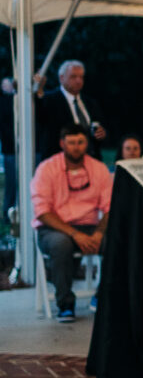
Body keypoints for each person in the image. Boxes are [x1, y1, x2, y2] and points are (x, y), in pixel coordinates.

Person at [31, 123, 112, 322]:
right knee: (61, 244)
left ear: (87, 143)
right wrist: (75, 234)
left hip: (90, 225)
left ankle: (103, 297)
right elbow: (42, 212)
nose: (76, 147)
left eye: (80, 142)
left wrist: (99, 233)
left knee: (117, 240)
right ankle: (65, 304)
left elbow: (111, 208)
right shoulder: (47, 169)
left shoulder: (99, 169)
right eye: (71, 143)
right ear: (62, 144)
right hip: (55, 227)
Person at [35, 60, 107, 159]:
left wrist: (101, 134)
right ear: (61, 78)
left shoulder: (90, 103)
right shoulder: (50, 100)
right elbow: (39, 116)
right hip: (61, 162)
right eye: (73, 77)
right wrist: (38, 89)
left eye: (81, 77)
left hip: (90, 161)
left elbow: (100, 129)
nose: (78, 81)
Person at [1, 77, 16, 222]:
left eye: (9, 84)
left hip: (18, 146)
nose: (8, 87)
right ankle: (7, 212)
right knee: (11, 182)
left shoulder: (18, 100)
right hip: (9, 148)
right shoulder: (3, 103)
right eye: (5, 85)